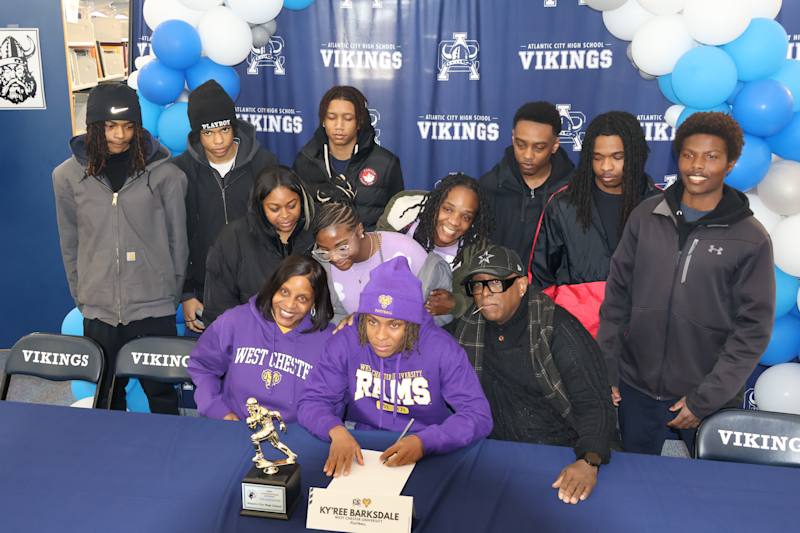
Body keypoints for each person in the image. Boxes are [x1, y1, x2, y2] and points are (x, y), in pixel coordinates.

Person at [597, 112, 775, 455]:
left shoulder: (751, 238)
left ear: (731, 163)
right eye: (689, 154)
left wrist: (704, 399)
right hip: (637, 388)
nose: (698, 165)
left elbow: (752, 330)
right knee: (636, 483)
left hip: (705, 395)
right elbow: (616, 299)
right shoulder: (645, 217)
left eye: (711, 157)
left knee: (708, 495)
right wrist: (607, 368)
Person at [52, 82, 187, 413]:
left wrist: (168, 293)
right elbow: (70, 241)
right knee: (109, 396)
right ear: (95, 128)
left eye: (128, 126)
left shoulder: (166, 175)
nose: (120, 135)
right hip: (99, 308)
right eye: (110, 126)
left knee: (162, 395)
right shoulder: (66, 177)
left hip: (154, 307)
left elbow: (178, 241)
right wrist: (83, 294)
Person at [297, 257, 492, 476]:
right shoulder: (346, 340)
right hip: (360, 440)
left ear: (412, 324)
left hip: (425, 445)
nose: (380, 336)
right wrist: (335, 431)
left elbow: (478, 415)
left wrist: (426, 442)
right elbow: (312, 401)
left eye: (394, 325)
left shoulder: (442, 348)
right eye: (372, 322)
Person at [453, 244, 615, 505]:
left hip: (560, 452)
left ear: (521, 286)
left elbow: (595, 403)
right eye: (477, 285)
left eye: (495, 283)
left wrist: (588, 461)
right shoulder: (468, 327)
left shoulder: (558, 329)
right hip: (496, 450)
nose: (484, 294)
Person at [529, 111, 655, 335]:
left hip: (642, 335)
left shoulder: (659, 206)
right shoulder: (563, 206)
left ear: (635, 155)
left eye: (617, 157)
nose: (606, 167)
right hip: (577, 335)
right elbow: (540, 277)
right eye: (597, 158)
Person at [173, 80, 277, 334]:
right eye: (208, 133)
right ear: (197, 133)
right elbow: (177, 237)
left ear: (234, 126)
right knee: (210, 369)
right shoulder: (181, 171)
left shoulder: (263, 163)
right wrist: (187, 293)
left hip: (261, 288)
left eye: (224, 130)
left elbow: (281, 225)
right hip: (205, 291)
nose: (218, 140)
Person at [188, 255, 334, 421]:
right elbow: (202, 366)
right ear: (273, 288)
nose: (289, 305)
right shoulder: (236, 321)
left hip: (295, 433)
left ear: (314, 302)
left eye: (302, 298)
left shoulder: (328, 341)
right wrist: (217, 410)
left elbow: (332, 400)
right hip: (235, 427)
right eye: (284, 292)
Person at [311, 196, 452, 325]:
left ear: (359, 230)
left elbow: (437, 318)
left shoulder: (407, 254)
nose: (333, 257)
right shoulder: (324, 264)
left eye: (342, 247)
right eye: (324, 250)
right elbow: (333, 317)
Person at [203, 166, 316, 324]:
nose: (285, 215)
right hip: (250, 339)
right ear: (260, 207)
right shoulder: (233, 238)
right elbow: (219, 307)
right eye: (274, 209)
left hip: (306, 338)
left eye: (292, 206)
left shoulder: (317, 233)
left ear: (302, 201)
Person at [376, 173, 493, 319]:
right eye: (448, 209)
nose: (454, 222)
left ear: (473, 222)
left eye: (466, 217)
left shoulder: (474, 251)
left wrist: (454, 303)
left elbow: (476, 295)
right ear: (436, 204)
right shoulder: (404, 216)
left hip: (428, 325)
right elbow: (373, 254)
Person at [293, 85, 403, 230]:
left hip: (369, 249)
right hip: (318, 249)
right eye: (332, 117)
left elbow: (397, 220)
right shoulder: (306, 160)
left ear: (359, 122)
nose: (339, 125)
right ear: (323, 121)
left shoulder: (386, 164)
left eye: (348, 118)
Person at [480, 101, 574, 264]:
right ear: (513, 137)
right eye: (521, 145)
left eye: (538, 148)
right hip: (499, 286)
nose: (528, 155)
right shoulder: (490, 186)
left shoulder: (573, 192)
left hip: (552, 288)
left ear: (555, 145)